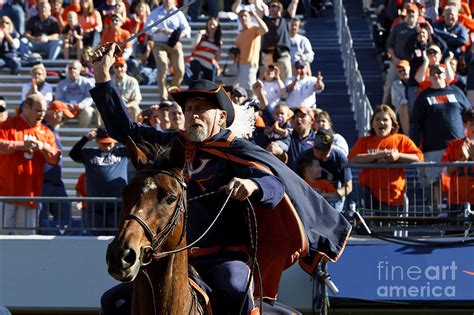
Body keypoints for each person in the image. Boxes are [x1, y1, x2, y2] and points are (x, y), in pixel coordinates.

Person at [90, 43, 350, 314]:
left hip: (223, 259)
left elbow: (276, 185)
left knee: (235, 289)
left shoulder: (236, 151)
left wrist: (252, 185)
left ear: (222, 117)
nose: (193, 114)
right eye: (189, 109)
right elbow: (126, 130)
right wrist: (101, 75)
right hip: (170, 256)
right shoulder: (174, 145)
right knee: (114, 301)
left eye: (201, 108)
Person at [411, 63, 471, 209]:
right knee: (437, 180)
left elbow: (469, 115)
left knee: (458, 177)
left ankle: (460, 210)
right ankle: (441, 210)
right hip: (433, 146)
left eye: (440, 72)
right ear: (429, 76)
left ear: (446, 75)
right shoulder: (423, 96)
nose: (436, 74)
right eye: (433, 72)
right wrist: (415, 146)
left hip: (458, 145)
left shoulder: (457, 92)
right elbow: (415, 123)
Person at [0, 94, 60, 234]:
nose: (42, 114)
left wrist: (44, 147)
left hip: (30, 195)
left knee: (26, 239)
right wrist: (21, 145)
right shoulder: (8, 125)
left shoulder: (46, 133)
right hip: (4, 193)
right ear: (26, 108)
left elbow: (54, 159)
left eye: (44, 111)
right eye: (38, 110)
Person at [348, 105, 423, 214]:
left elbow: (419, 158)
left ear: (393, 123)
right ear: (372, 124)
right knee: (368, 228)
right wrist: (375, 156)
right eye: (377, 119)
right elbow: (352, 159)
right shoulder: (364, 141)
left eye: (385, 119)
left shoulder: (401, 139)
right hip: (368, 191)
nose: (381, 123)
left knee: (385, 229)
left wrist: (398, 156)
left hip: (392, 195)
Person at [69, 127, 128, 235]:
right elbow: (73, 154)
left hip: (117, 205)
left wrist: (121, 135)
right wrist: (86, 138)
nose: (108, 146)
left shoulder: (122, 152)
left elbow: (138, 145)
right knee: (95, 237)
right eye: (104, 143)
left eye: (110, 143)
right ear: (97, 141)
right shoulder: (89, 153)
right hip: (94, 205)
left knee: (115, 237)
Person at [296, 128, 352, 212]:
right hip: (308, 199)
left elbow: (348, 187)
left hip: (332, 198)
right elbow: (295, 182)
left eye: (320, 149)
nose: (316, 151)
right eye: (315, 147)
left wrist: (327, 195)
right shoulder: (304, 157)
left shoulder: (339, 158)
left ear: (329, 149)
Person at [145, 0, 191, 100]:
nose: (167, 1)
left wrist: (178, 34)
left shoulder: (178, 13)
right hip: (159, 44)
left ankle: (172, 91)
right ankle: (163, 96)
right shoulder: (156, 12)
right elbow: (147, 27)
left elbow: (187, 29)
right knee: (162, 67)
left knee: (180, 70)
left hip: (174, 44)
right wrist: (160, 30)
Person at [39, 101, 75, 230]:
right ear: (56, 113)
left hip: (55, 182)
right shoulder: (41, 130)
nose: (64, 120)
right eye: (63, 116)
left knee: (65, 220)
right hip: (42, 182)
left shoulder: (54, 131)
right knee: (40, 220)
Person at [441, 109, 474, 215]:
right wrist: (463, 159)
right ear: (465, 124)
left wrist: (472, 156)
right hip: (456, 200)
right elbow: (446, 172)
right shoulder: (454, 145)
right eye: (472, 124)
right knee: (454, 231)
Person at [235, 9, 268, 94]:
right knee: (242, 91)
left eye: (245, 15)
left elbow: (265, 30)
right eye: (241, 16)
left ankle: (253, 106)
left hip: (250, 64)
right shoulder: (239, 35)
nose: (243, 18)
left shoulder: (254, 29)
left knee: (250, 90)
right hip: (239, 65)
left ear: (250, 17)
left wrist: (255, 14)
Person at [55, 60, 95, 127]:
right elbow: (58, 99)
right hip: (66, 109)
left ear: (79, 70)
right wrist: (67, 105)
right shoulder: (61, 84)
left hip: (81, 109)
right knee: (57, 112)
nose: (72, 70)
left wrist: (82, 105)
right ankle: (59, 133)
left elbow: (89, 97)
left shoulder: (87, 82)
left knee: (88, 111)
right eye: (70, 68)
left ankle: (82, 133)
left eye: (74, 68)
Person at [189, 16, 221, 82]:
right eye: (210, 24)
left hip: (208, 65)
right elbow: (193, 48)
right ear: (207, 25)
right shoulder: (202, 36)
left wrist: (218, 66)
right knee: (197, 81)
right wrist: (199, 34)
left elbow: (217, 58)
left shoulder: (218, 42)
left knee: (209, 85)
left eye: (214, 25)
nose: (212, 27)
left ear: (217, 27)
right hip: (197, 63)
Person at [111, 57, 142, 122]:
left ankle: (134, 131)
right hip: (113, 108)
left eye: (121, 66)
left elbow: (137, 100)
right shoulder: (109, 82)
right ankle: (105, 131)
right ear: (113, 68)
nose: (119, 69)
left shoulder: (132, 81)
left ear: (126, 67)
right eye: (116, 67)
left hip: (127, 107)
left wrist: (125, 106)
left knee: (135, 109)